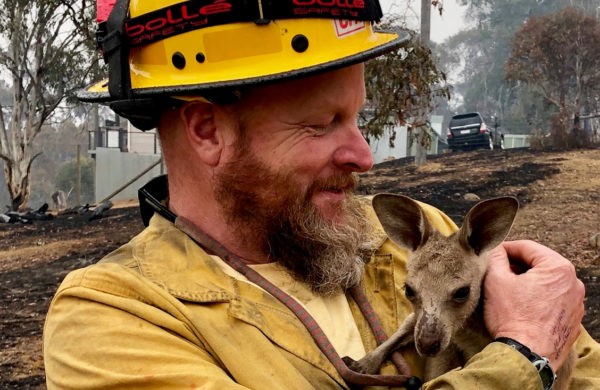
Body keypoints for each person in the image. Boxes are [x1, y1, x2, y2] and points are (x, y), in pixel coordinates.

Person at [44, 0, 600, 388]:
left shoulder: (413, 240)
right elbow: (542, 352)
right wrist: (526, 356)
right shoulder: (112, 320)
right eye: (321, 123)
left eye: (357, 119)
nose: (363, 155)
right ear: (207, 131)